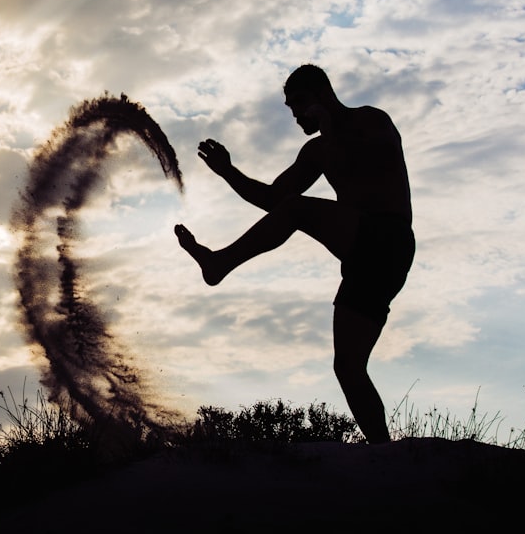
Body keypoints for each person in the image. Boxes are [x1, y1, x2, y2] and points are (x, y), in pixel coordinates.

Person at [175, 64, 414, 444]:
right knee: (348, 369)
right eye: (289, 109)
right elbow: (274, 200)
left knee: (298, 209)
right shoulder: (317, 150)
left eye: (298, 105)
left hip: (386, 239)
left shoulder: (371, 120)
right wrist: (228, 171)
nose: (295, 116)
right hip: (359, 261)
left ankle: (219, 262)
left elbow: (361, 158)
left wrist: (330, 123)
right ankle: (384, 453)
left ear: (320, 94)